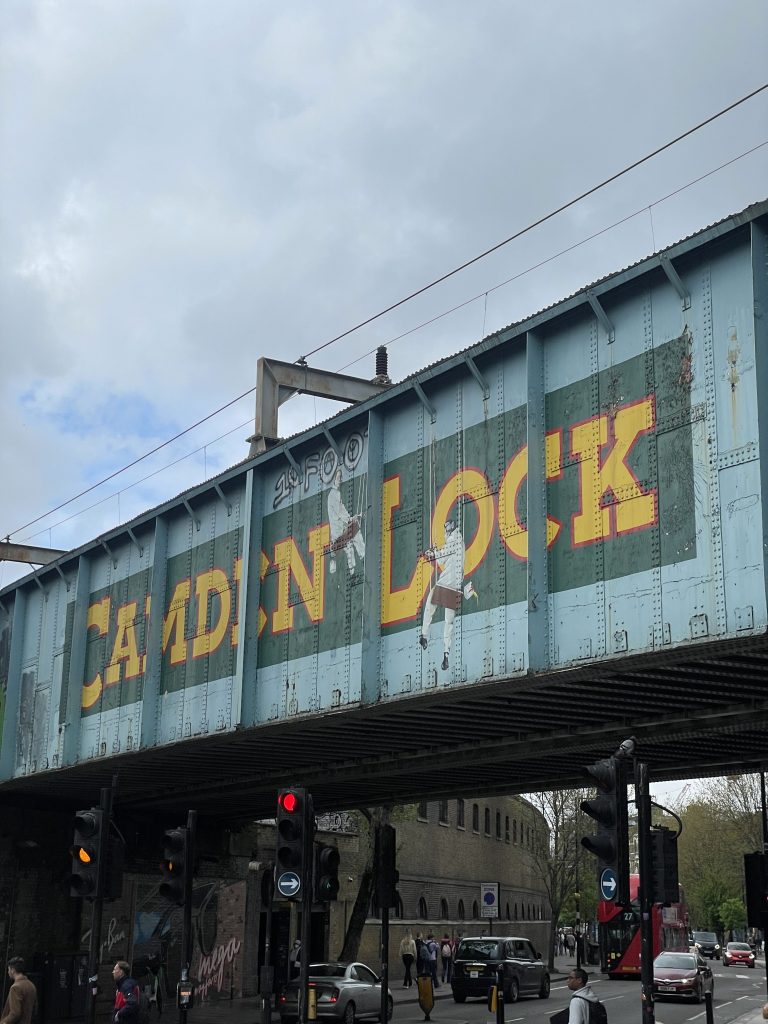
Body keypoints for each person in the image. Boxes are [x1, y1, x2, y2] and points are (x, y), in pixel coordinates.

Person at [419, 520, 473, 670]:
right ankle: (446, 654)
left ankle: (423, 635)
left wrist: (433, 552)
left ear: (450, 529)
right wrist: (436, 552)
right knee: (448, 623)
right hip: (455, 587)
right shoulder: (460, 542)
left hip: (445, 583)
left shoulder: (454, 539)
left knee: (430, 604)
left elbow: (442, 556)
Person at [327, 468, 365, 575]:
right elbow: (340, 514)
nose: (340, 480)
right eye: (338, 477)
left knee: (353, 534)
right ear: (334, 480)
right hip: (338, 533)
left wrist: (353, 517)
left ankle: (356, 561)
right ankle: (361, 557)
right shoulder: (333, 495)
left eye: (340, 477)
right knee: (355, 532)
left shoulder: (336, 495)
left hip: (340, 531)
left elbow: (343, 511)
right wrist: (352, 519)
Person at [1, 957, 37, 1024]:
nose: (8, 972)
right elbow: (35, 1010)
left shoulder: (15, 988)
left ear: (13, 970)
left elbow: (15, 1014)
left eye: (8, 969)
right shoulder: (31, 985)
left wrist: (4, 1022)